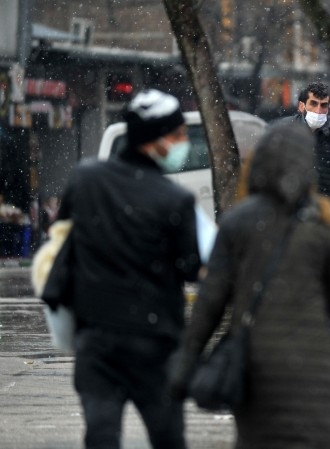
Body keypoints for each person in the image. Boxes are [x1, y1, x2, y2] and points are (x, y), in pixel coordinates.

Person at [169, 122, 330, 449]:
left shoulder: (237, 222)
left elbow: (210, 303)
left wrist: (184, 367)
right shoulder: (326, 224)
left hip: (257, 379)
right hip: (316, 382)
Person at [55, 89, 201, 449]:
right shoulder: (175, 200)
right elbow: (189, 267)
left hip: (96, 338)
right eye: (178, 135)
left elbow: (61, 233)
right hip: (154, 343)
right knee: (168, 437)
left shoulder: (85, 179)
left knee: (102, 434)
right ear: (154, 141)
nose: (183, 143)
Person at [293, 81, 330, 212]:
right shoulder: (285, 133)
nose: (318, 110)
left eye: (323, 105)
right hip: (290, 214)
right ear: (302, 106)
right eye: (313, 103)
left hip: (321, 214)